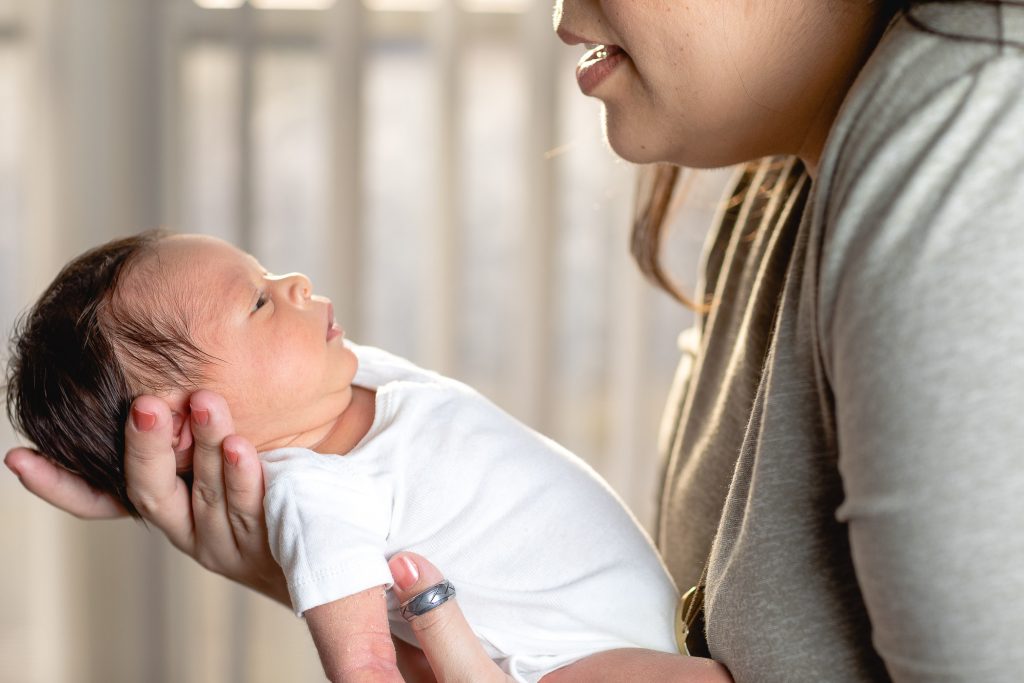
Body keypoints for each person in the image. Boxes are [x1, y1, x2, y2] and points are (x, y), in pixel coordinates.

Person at [7, 0, 1024, 680]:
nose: (559, 15)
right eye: (259, 305)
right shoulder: (773, 192)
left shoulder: (960, 125)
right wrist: (245, 509)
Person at [4, 231, 727, 683]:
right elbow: (363, 663)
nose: (290, 283)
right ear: (187, 425)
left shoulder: (355, 378)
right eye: (256, 302)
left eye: (265, 272)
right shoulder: (313, 493)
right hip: (568, 664)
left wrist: (134, 486)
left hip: (633, 617)